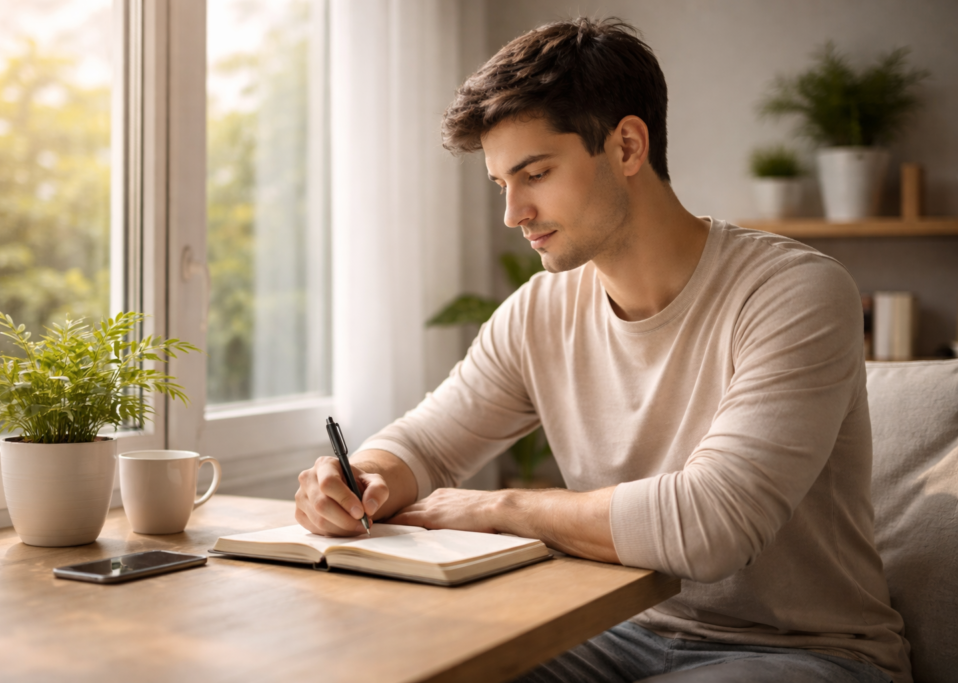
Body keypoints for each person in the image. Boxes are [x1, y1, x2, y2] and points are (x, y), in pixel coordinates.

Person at [295, 17, 909, 683]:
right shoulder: (539, 312)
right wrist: (361, 478)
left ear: (626, 146)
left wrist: (497, 507)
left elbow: (713, 525)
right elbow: (429, 446)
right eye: (503, 184)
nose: (514, 214)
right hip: (613, 634)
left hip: (807, 652)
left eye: (535, 173)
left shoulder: (794, 293)